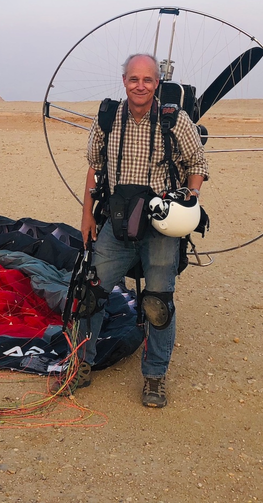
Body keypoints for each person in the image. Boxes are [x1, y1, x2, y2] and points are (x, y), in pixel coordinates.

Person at [77, 53, 209, 408]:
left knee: (158, 303)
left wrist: (190, 197)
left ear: (157, 84)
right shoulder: (107, 118)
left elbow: (198, 163)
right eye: (134, 79)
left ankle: (154, 377)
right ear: (124, 81)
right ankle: (79, 364)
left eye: (147, 80)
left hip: (161, 226)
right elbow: (94, 167)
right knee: (90, 294)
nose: (140, 85)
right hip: (116, 222)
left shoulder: (176, 121)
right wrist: (87, 216)